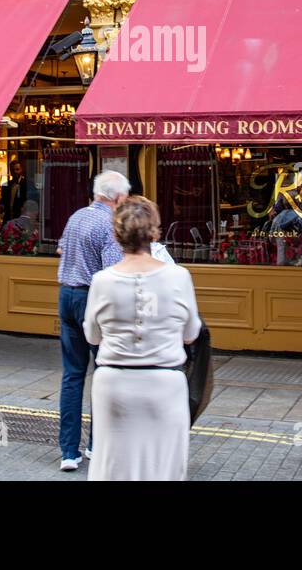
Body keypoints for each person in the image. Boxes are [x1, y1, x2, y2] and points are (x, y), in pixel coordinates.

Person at [84, 196, 201, 481]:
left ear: (116, 233)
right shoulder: (178, 276)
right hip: (164, 384)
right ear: (155, 232)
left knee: (113, 465)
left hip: (114, 383)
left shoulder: (102, 280)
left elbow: (92, 335)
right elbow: (191, 333)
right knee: (162, 466)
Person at [55, 169, 131, 472]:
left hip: (66, 295)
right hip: (92, 298)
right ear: (118, 197)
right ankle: (96, 445)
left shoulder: (76, 216)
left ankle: (68, 453)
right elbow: (111, 272)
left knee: (72, 375)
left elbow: (62, 248)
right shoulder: (109, 223)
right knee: (104, 372)